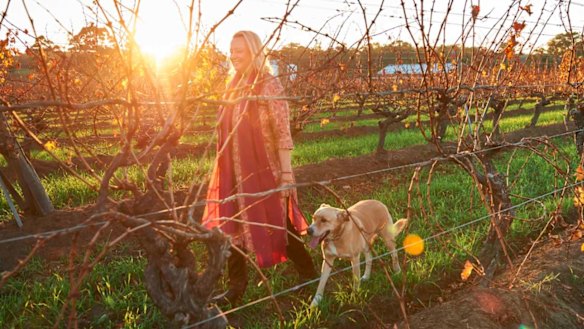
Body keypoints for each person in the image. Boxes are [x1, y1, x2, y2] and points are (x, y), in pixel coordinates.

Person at [202, 30, 316, 305]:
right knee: (234, 227)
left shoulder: (269, 85)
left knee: (279, 224)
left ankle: (309, 276)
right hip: (235, 173)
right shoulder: (233, 84)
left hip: (267, 170)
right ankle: (236, 288)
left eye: (239, 50)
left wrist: (287, 175)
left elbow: (282, 133)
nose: (233, 55)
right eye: (231, 50)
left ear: (253, 52)